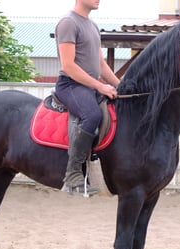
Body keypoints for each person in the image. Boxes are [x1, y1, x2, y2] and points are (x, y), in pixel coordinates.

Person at [55, 0, 120, 195]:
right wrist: (100, 86)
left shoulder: (92, 26)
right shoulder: (68, 22)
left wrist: (120, 86)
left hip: (89, 86)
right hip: (70, 85)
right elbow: (69, 66)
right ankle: (73, 174)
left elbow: (100, 65)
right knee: (92, 115)